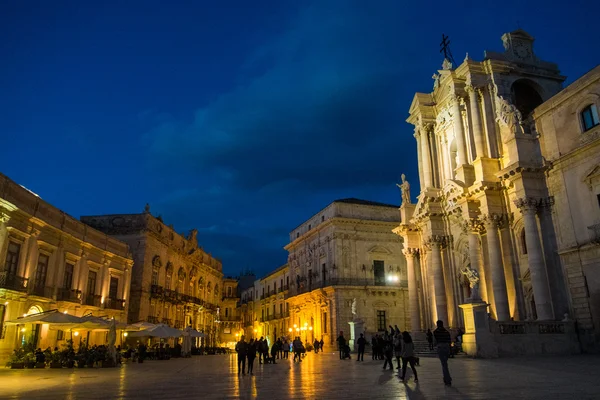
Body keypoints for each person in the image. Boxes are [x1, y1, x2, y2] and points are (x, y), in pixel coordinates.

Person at [433, 320, 453, 386]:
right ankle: (447, 378)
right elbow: (449, 340)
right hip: (447, 347)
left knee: (444, 364)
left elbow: (434, 342)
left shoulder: (435, 332)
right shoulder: (446, 332)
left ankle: (447, 379)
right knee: (445, 364)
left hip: (440, 347)